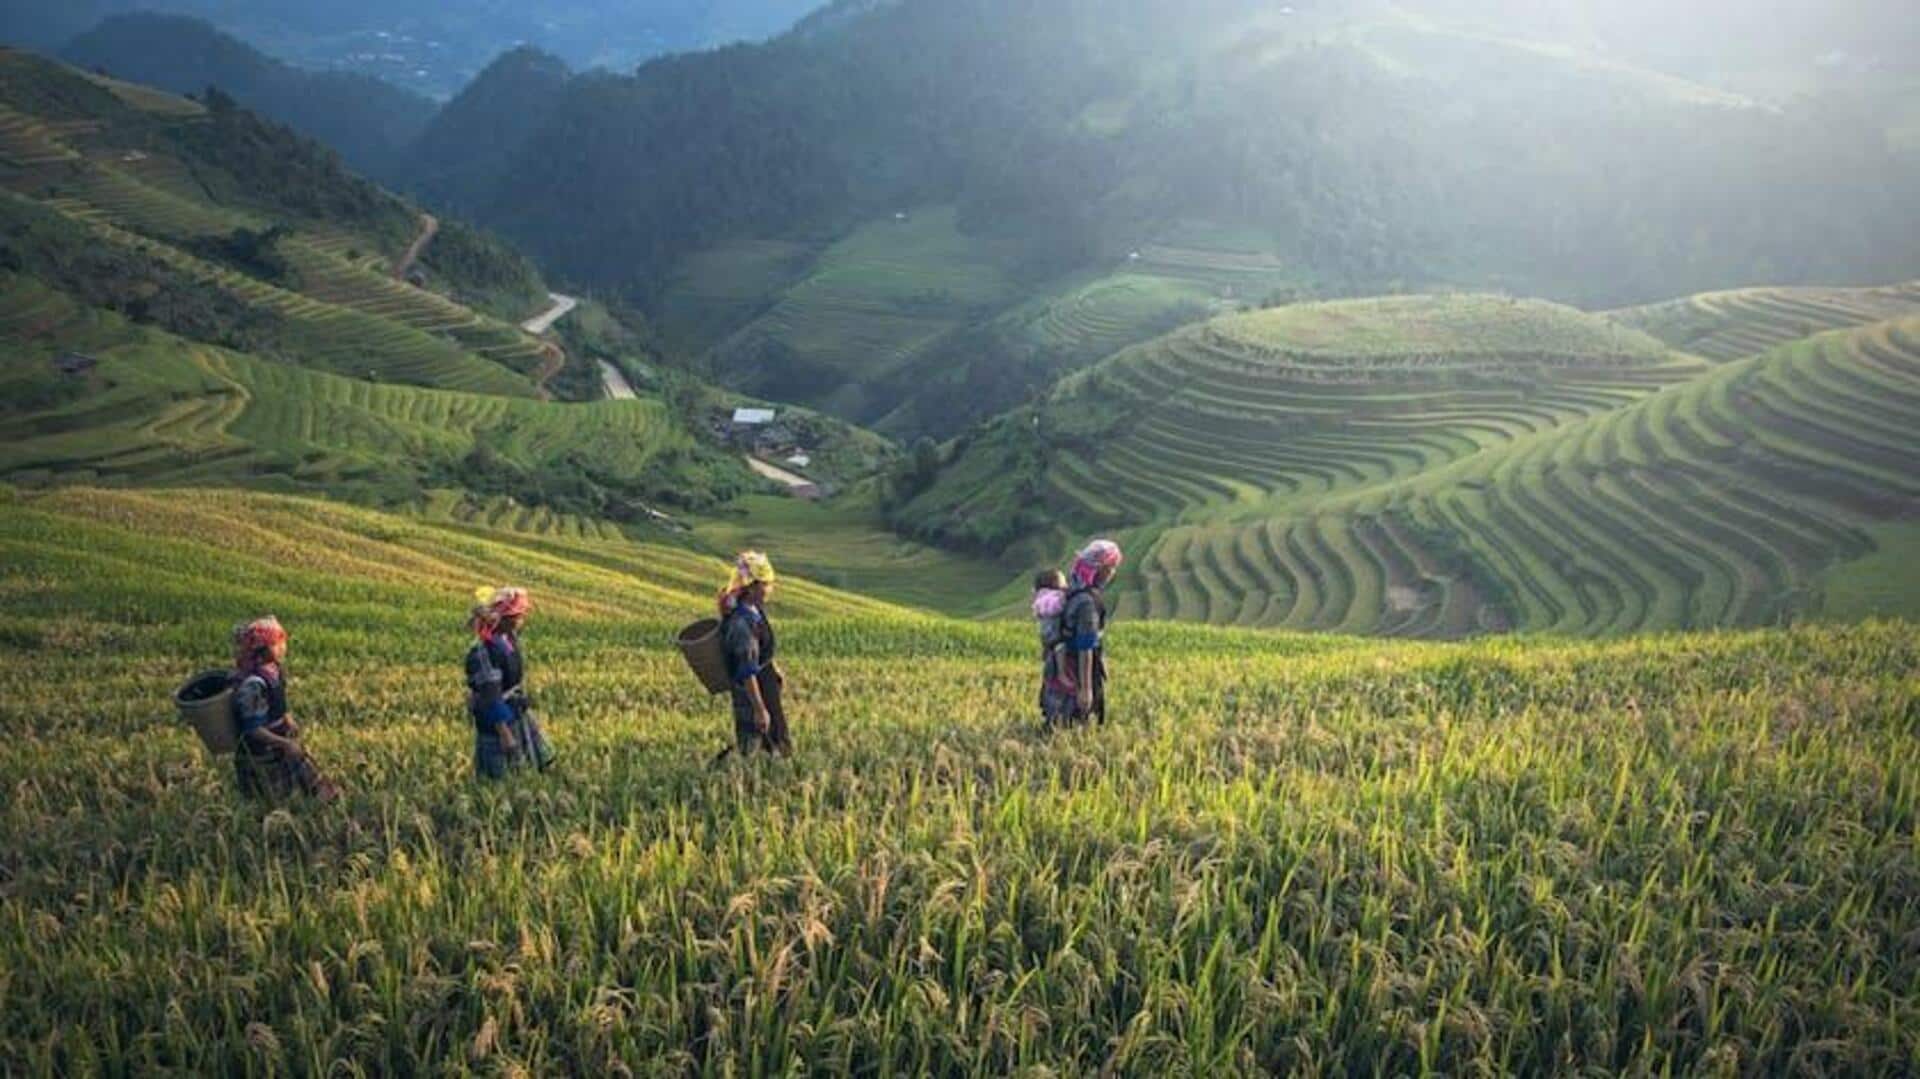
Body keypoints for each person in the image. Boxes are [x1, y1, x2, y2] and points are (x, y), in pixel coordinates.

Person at [230, 616, 341, 803]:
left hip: (278, 735)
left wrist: (287, 719)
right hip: (262, 746)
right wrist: (284, 743)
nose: (283, 648)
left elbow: (279, 703)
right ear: (262, 650)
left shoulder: (274, 671)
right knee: (273, 790)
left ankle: (320, 792)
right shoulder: (253, 685)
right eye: (276, 644)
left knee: (300, 763)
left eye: (283, 643)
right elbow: (253, 729)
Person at [466, 586, 554, 780]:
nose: (522, 619)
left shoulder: (507, 639)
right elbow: (491, 696)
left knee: (535, 765)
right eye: (518, 615)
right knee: (500, 776)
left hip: (515, 712)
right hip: (498, 724)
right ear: (505, 619)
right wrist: (506, 736)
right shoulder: (484, 651)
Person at [718, 551, 791, 759]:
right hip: (750, 692)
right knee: (752, 742)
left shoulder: (755, 611)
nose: (770, 589)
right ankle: (737, 778)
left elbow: (761, 649)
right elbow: (746, 669)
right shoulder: (741, 624)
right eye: (766, 584)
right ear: (752, 588)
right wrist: (759, 709)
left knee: (775, 740)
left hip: (764, 683)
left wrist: (773, 668)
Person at [1061, 540, 1124, 726]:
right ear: (1099, 569)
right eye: (1111, 568)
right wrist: (1086, 689)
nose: (1113, 573)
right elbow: (1086, 646)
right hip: (1079, 668)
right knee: (1082, 720)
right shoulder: (1088, 603)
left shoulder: (1073, 590)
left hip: (1064, 664)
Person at [1032, 568, 1073, 728]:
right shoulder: (1053, 598)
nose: (1065, 585)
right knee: (1059, 651)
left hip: (1047, 636)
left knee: (1050, 668)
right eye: (1063, 582)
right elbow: (1061, 604)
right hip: (1054, 635)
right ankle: (1062, 674)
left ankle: (1050, 714)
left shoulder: (1041, 598)